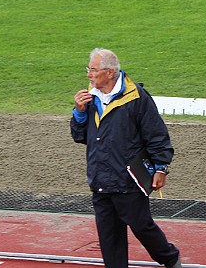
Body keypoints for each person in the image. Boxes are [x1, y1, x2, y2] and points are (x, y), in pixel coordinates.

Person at [71, 48, 181, 268]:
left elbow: (156, 134)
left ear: (110, 72)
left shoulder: (137, 97)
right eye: (88, 69)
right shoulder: (90, 98)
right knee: (109, 237)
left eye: (93, 70)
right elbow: (80, 137)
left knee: (142, 226)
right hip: (100, 178)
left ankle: (169, 258)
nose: (89, 75)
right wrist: (79, 112)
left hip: (127, 178)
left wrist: (161, 168)